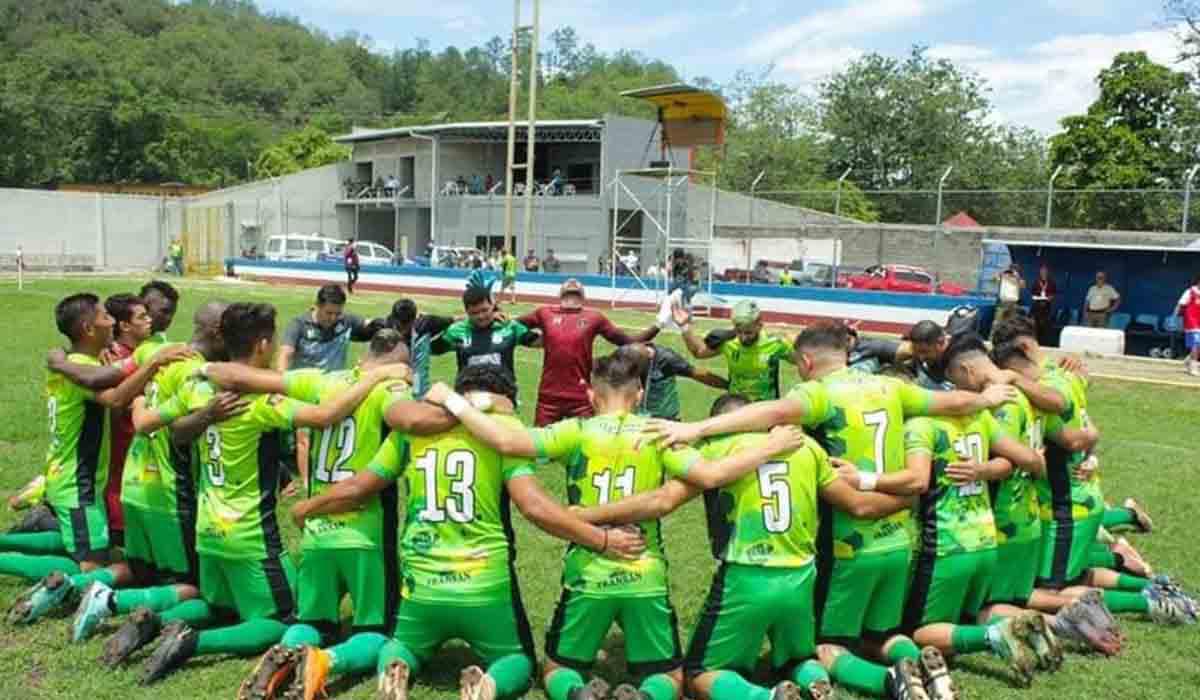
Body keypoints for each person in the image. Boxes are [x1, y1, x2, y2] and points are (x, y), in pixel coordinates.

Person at [643, 324, 1022, 700]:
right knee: (881, 635)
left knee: (826, 647)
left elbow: (771, 409)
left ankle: (889, 682)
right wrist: (985, 400)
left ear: (806, 362)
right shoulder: (888, 386)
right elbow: (951, 402)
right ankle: (924, 670)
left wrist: (697, 428)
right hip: (896, 536)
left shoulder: (819, 394)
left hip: (847, 544)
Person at [426, 352, 815, 700]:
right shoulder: (657, 434)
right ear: (641, 394)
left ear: (592, 396)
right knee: (669, 675)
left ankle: (578, 694)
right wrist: (767, 447)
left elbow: (506, 441)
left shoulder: (576, 431)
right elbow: (712, 475)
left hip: (589, 571)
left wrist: (452, 399)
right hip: (645, 573)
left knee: (558, 667)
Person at [276, 365, 643, 700]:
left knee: (401, 644)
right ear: (504, 400)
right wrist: (603, 540)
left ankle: (389, 669)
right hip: (485, 586)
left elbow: (360, 486)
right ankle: (488, 686)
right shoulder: (504, 431)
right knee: (518, 660)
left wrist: (308, 507)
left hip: (422, 585)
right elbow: (534, 507)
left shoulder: (412, 431)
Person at [128, 302, 408, 684]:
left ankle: (155, 621)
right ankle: (194, 643)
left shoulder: (198, 388)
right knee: (281, 620)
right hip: (254, 533)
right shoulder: (260, 402)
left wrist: (184, 400)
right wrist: (379, 378)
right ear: (262, 344)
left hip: (209, 529)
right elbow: (326, 415)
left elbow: (169, 430)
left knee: (222, 607)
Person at [573, 394, 912, 700]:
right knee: (800, 658)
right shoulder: (806, 447)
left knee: (700, 675)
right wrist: (908, 498)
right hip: (800, 578)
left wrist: (586, 516)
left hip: (746, 579)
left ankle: (767, 698)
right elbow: (859, 505)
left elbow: (661, 501)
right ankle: (884, 679)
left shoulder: (720, 450)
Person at [58, 304, 240, 643]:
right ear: (218, 334)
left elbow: (117, 385)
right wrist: (208, 415)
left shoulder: (152, 349)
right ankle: (113, 602)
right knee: (197, 587)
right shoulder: (197, 374)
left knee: (142, 569)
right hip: (169, 494)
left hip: (134, 485)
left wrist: (58, 359)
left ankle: (69, 586)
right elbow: (181, 431)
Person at [0, 295, 189, 595]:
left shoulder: (75, 361)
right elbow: (114, 399)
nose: (111, 321)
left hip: (66, 472)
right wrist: (152, 364)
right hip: (78, 480)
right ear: (88, 328)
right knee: (91, 566)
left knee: (77, 541)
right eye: (105, 316)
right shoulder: (80, 367)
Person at [278, 284, 380, 491]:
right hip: (304, 389)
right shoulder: (298, 325)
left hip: (335, 389)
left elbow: (373, 326)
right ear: (317, 306)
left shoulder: (346, 322)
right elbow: (285, 355)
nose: (333, 318)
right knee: (304, 436)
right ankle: (308, 484)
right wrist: (280, 383)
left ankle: (337, 470)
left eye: (337, 313)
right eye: (328, 313)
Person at [518, 278, 660, 426]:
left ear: (583, 297)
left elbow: (625, 340)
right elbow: (512, 328)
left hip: (580, 397)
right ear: (560, 295)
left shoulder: (594, 318)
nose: (572, 283)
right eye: (569, 290)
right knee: (541, 446)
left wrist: (658, 326)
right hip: (549, 398)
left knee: (587, 446)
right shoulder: (545, 313)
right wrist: (536, 341)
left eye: (575, 291)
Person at [674, 300, 793, 402]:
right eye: (739, 332)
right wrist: (684, 327)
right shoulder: (728, 342)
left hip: (766, 411)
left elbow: (805, 363)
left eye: (748, 333)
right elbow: (698, 352)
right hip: (735, 407)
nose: (743, 337)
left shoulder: (776, 344)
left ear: (760, 325)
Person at [433, 283, 537, 388]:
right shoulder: (456, 331)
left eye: (485, 310)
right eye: (474, 313)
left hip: (504, 397)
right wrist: (437, 322)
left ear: (492, 305)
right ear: (466, 312)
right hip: (468, 397)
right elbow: (430, 348)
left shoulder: (509, 326)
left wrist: (544, 318)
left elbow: (538, 342)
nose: (481, 316)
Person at [617, 343, 727, 420]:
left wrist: (727, 385)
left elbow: (696, 373)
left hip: (665, 417)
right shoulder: (624, 357)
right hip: (636, 416)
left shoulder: (667, 360)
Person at [383, 298, 454, 399]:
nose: (402, 331)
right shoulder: (386, 325)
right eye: (399, 325)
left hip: (416, 375)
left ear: (414, 319)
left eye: (406, 325)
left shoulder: (426, 323)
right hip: (391, 373)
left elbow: (454, 320)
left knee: (417, 398)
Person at [1175, 274, 1200, 376]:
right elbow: (1180, 304)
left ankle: (1189, 360)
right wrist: (1174, 318)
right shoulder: (1190, 292)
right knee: (1195, 343)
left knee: (1199, 345)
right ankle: (1193, 368)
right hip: (1191, 322)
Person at [993, 265, 1025, 339]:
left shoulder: (1019, 280)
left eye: (1014, 270)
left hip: (1013, 304)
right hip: (1002, 303)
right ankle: (993, 338)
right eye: (1011, 270)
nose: (1012, 272)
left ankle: (1009, 339)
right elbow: (993, 279)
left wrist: (1017, 277)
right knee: (997, 322)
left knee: (1011, 322)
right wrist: (1001, 273)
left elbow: (1023, 285)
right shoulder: (1003, 277)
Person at [1031, 265, 1056, 345]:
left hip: (1046, 307)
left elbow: (1053, 294)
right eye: (1042, 271)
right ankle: (1035, 342)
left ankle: (1043, 343)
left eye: (1045, 271)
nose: (1043, 273)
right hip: (1037, 307)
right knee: (1035, 325)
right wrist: (1036, 297)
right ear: (1040, 272)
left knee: (1045, 326)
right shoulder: (1036, 282)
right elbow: (1032, 294)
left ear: (1047, 272)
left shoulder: (1051, 282)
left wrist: (1050, 298)